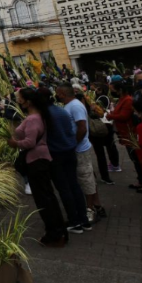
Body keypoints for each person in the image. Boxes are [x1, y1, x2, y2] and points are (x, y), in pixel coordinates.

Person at [8, 88, 67, 247]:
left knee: (44, 199)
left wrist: (14, 143)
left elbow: (30, 142)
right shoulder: (37, 116)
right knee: (47, 197)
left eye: (20, 98)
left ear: (28, 102)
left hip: (36, 161)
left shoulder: (33, 119)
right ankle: (57, 231)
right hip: (39, 159)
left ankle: (55, 233)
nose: (18, 101)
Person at [42, 87, 91, 233]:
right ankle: (83, 219)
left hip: (58, 153)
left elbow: (81, 128)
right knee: (74, 185)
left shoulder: (47, 114)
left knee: (64, 187)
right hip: (69, 151)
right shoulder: (61, 110)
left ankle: (74, 221)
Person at [56, 83, 106, 222]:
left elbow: (82, 128)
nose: (56, 96)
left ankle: (89, 209)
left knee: (85, 178)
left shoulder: (75, 106)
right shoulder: (70, 105)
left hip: (80, 149)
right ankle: (96, 205)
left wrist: (73, 144)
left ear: (63, 94)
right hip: (77, 147)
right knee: (87, 177)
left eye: (58, 93)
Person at [107, 79, 142, 192]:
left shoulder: (127, 100)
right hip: (125, 133)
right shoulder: (122, 99)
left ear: (120, 90)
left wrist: (110, 116)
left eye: (112, 90)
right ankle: (141, 180)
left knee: (138, 159)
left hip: (130, 134)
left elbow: (124, 116)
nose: (111, 92)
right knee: (134, 159)